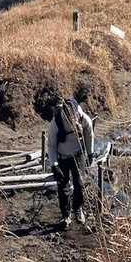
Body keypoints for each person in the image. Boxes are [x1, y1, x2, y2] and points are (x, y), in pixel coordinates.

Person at [46, 94, 94, 230]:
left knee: (79, 184)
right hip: (62, 157)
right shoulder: (56, 123)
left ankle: (78, 209)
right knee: (63, 186)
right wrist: (54, 165)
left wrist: (90, 153)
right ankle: (65, 215)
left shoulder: (82, 117)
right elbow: (51, 145)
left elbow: (89, 133)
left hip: (78, 155)